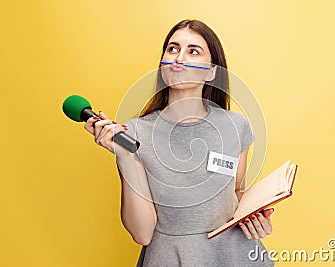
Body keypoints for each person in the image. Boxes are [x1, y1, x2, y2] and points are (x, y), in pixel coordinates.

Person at [84, 19, 275, 267]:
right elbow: (142, 233)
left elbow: (236, 192)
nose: (178, 57)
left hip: (237, 255)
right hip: (173, 258)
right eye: (172, 49)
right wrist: (124, 156)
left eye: (192, 51)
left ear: (211, 71)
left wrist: (254, 217)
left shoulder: (236, 127)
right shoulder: (134, 133)